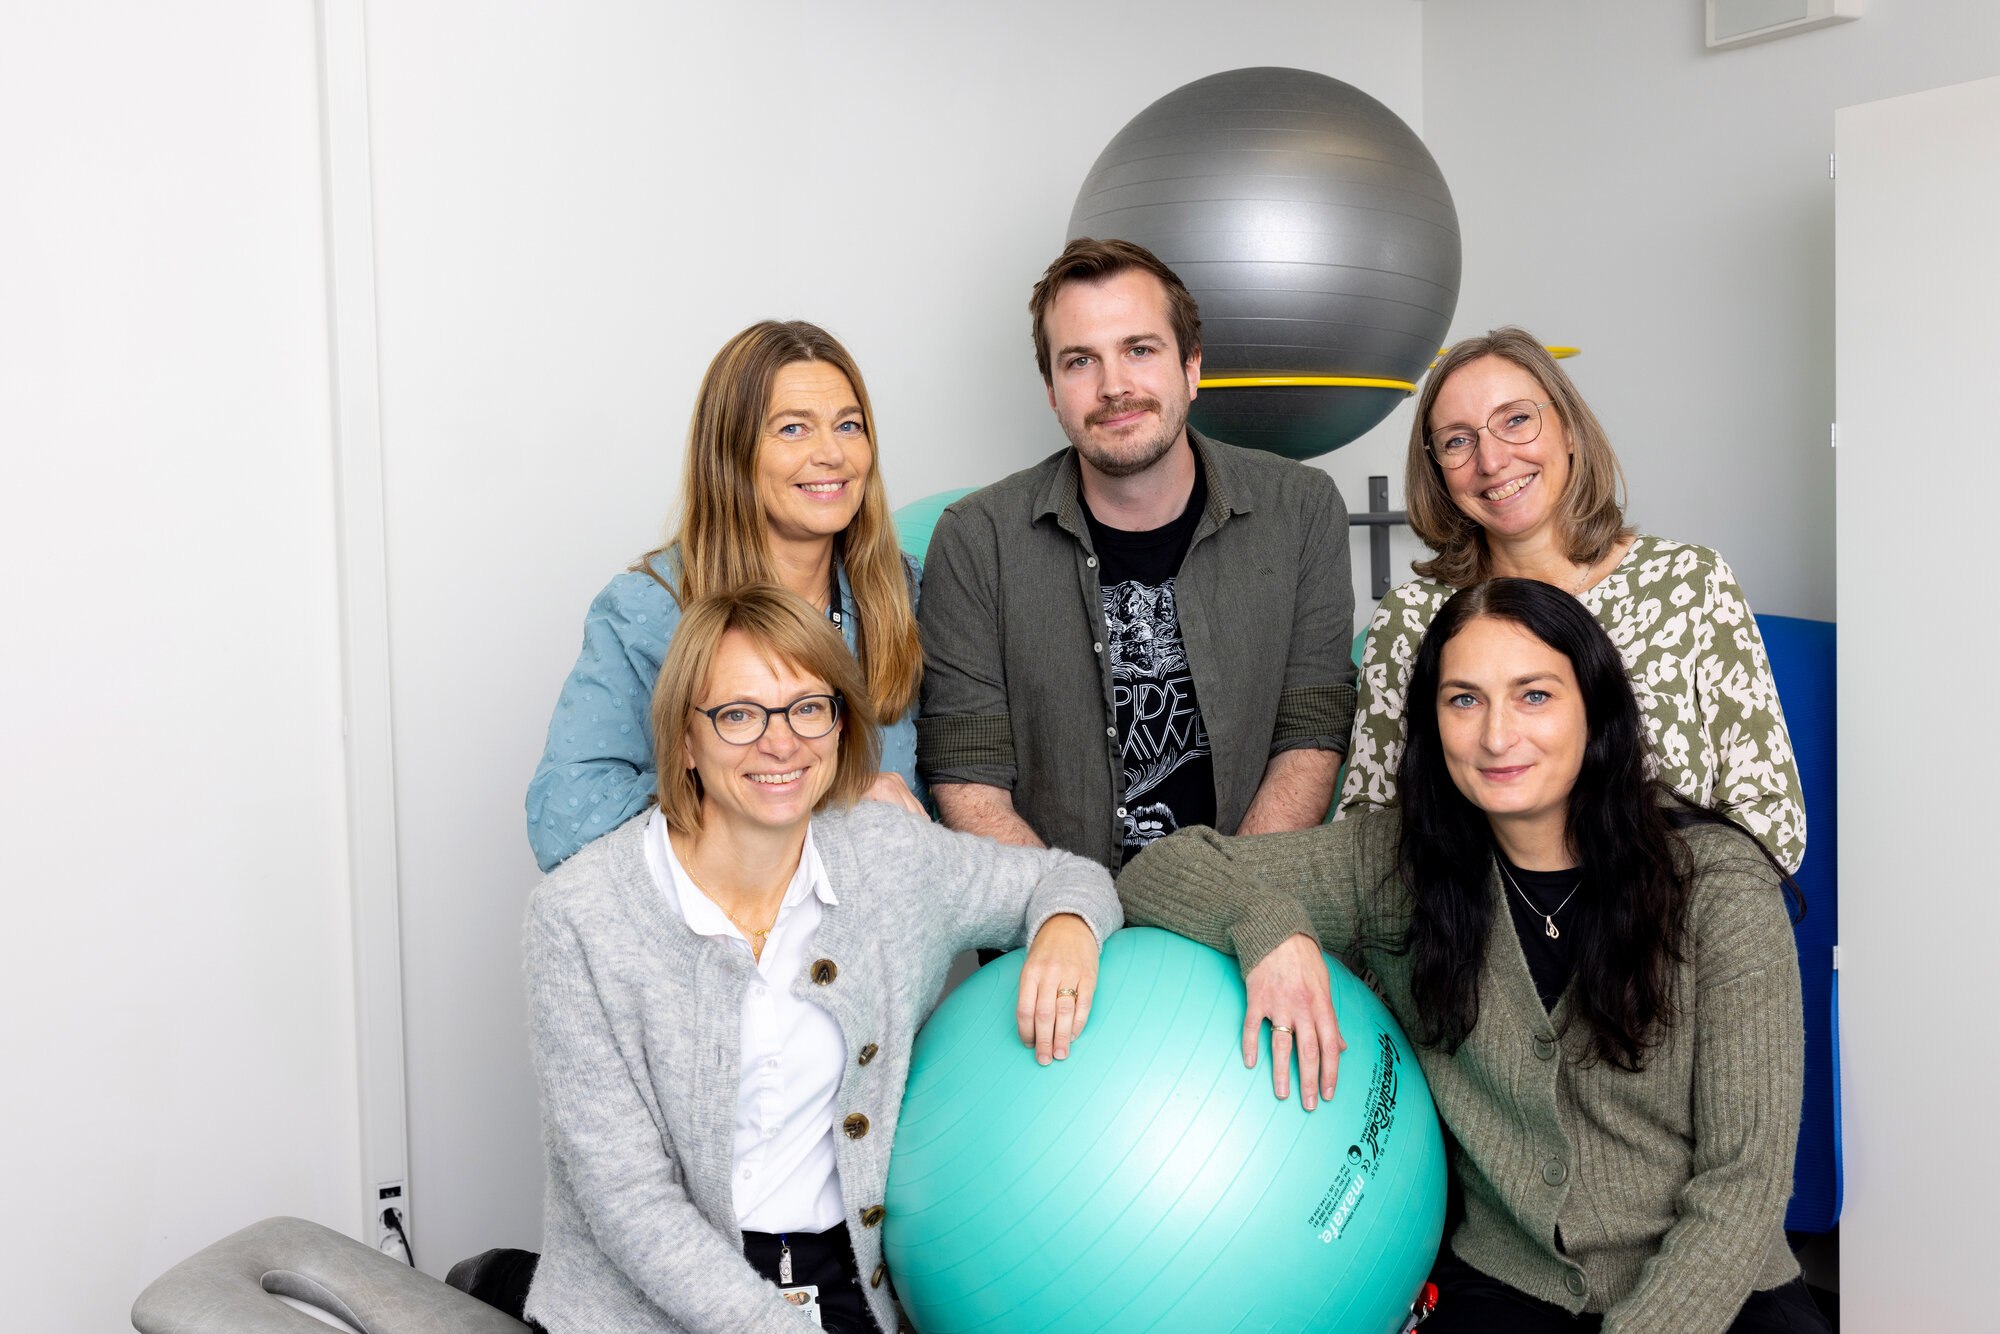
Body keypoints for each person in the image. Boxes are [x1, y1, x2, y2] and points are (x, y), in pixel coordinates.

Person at [1119, 578, 1826, 1334]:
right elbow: (1154, 873)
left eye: (1534, 696)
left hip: (1718, 1289)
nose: (1496, 736)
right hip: (1507, 1284)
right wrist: (1268, 929)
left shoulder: (1718, 883)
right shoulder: (1394, 863)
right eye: (1464, 700)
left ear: (1595, 709)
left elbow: (1743, 1183)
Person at [524, 585, 1120, 1334]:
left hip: (843, 1283)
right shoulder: (579, 916)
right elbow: (629, 1202)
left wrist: (1066, 923)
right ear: (683, 741)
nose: (781, 744)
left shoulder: (887, 856)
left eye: (808, 708)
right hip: (640, 1307)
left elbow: (1068, 877)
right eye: (739, 714)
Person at [917, 237, 1357, 869]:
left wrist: (1231, 896)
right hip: (1052, 914)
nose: (1114, 387)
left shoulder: (1301, 509)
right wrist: (1073, 907)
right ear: (1052, 390)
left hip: (1250, 898)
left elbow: (1311, 730)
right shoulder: (975, 540)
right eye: (1080, 361)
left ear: (1192, 366)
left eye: (1140, 350)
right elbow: (968, 774)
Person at [1338, 327, 1805, 871]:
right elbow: (1367, 828)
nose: (1492, 460)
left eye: (1516, 419)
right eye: (1457, 441)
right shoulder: (1410, 619)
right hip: (1472, 919)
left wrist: (1639, 907)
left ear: (1569, 431)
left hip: (1668, 916)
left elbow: (1771, 819)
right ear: (1437, 469)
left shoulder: (1691, 582)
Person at [526, 320, 926, 872]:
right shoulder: (649, 608)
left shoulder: (901, 590)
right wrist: (814, 798)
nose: (832, 453)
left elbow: (959, 782)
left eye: (848, 425)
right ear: (732, 452)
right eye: (793, 429)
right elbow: (562, 822)